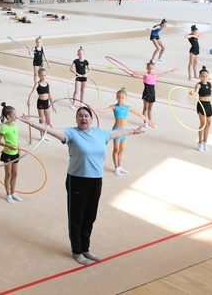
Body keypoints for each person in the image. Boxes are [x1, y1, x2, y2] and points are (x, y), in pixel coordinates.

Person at [18, 107, 145, 266]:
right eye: (80, 116)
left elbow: (117, 133)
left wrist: (134, 131)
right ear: (76, 119)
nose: (83, 118)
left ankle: (86, 248)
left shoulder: (100, 133)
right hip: (77, 180)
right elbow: (51, 130)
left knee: (90, 217)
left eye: (86, 116)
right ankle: (77, 251)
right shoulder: (71, 133)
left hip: (96, 180)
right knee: (77, 217)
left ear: (91, 119)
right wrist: (31, 123)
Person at [94, 88, 153, 176]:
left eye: (122, 98)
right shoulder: (114, 107)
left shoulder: (128, 108)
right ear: (116, 98)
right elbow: (104, 110)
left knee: (121, 150)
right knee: (116, 149)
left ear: (126, 98)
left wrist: (148, 121)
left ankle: (120, 166)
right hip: (117, 130)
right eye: (119, 97)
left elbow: (139, 114)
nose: (120, 99)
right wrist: (93, 109)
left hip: (125, 131)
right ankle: (116, 167)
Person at [130, 61, 177, 126]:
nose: (150, 70)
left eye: (152, 68)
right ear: (147, 69)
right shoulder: (145, 75)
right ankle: (145, 122)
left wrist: (172, 71)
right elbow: (138, 73)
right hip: (146, 94)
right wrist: (134, 74)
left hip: (152, 94)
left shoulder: (155, 76)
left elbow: (164, 74)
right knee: (145, 108)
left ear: (154, 69)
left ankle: (150, 122)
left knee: (150, 109)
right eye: (149, 68)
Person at [0, 103, 23, 203]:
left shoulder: (15, 126)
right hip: (7, 154)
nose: (16, 116)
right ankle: (8, 194)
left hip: (15, 153)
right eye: (14, 114)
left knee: (15, 174)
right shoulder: (4, 128)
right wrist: (8, 146)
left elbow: (16, 140)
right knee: (8, 174)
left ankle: (13, 193)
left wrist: (19, 149)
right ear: (8, 116)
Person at [27, 68, 56, 140]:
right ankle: (41, 136)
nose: (44, 77)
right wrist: (29, 101)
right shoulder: (37, 84)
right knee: (41, 120)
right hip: (40, 103)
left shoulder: (48, 84)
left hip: (47, 103)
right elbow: (32, 93)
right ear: (39, 75)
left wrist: (53, 105)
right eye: (42, 75)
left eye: (45, 75)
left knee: (48, 119)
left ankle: (45, 134)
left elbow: (50, 95)